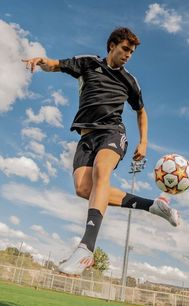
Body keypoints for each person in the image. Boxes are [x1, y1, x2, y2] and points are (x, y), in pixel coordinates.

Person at [22, 27, 179, 276]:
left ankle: (86, 248)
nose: (128, 55)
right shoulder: (88, 63)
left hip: (112, 132)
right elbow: (56, 65)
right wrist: (42, 61)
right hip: (86, 137)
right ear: (111, 46)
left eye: (132, 52)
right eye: (125, 49)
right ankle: (154, 206)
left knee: (101, 172)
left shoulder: (130, 81)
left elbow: (141, 111)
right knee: (84, 189)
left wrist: (144, 142)